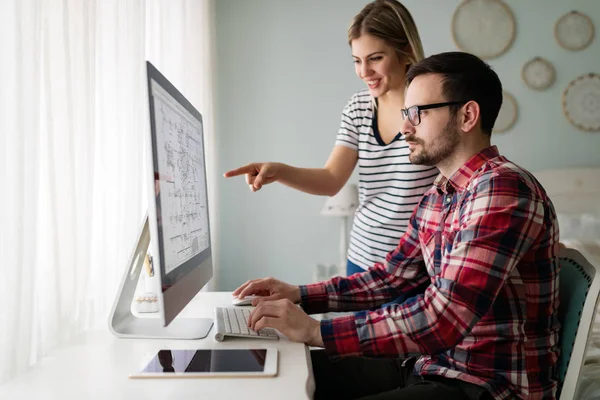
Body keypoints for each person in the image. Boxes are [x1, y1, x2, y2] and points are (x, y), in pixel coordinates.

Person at [234, 51, 561, 400]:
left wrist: (316, 331)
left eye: (418, 113)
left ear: (467, 115)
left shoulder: (503, 189)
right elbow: (392, 276)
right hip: (430, 366)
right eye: (406, 113)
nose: (405, 126)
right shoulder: (439, 194)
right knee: (276, 377)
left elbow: (443, 316)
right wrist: (301, 295)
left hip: (486, 386)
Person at [224, 0, 439, 277]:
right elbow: (331, 179)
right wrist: (279, 172)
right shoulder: (359, 108)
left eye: (375, 58)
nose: (364, 72)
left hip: (417, 267)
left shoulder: (432, 109)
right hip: (362, 260)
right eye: (357, 61)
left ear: (406, 51)